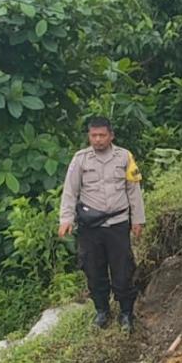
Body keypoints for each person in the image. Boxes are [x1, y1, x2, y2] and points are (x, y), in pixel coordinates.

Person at [58, 116, 146, 333]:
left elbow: (133, 190)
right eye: (93, 135)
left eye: (102, 135)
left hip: (117, 224)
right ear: (89, 136)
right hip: (91, 228)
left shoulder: (124, 156)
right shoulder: (80, 160)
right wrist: (66, 219)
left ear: (111, 135)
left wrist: (137, 220)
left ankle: (126, 313)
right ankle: (102, 311)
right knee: (93, 270)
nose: (97, 140)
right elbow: (70, 192)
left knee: (123, 269)